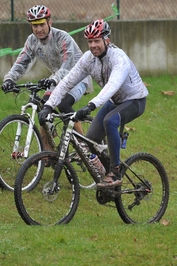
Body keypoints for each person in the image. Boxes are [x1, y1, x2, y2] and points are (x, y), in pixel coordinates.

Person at [38, 19, 148, 188]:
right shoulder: (88, 59)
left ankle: (116, 171)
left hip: (135, 100)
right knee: (90, 141)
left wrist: (90, 105)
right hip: (114, 101)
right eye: (90, 41)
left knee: (110, 121)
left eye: (97, 41)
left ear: (107, 40)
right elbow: (67, 82)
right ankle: (107, 177)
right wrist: (48, 105)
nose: (93, 45)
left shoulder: (119, 59)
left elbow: (112, 86)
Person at [1, 5, 93, 151]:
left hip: (78, 77)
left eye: (42, 24)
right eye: (34, 25)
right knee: (44, 110)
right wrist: (9, 79)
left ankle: (85, 147)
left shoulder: (62, 38)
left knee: (63, 104)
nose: (38, 29)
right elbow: (21, 62)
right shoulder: (31, 41)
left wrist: (54, 79)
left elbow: (67, 66)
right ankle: (47, 153)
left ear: (49, 22)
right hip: (57, 78)